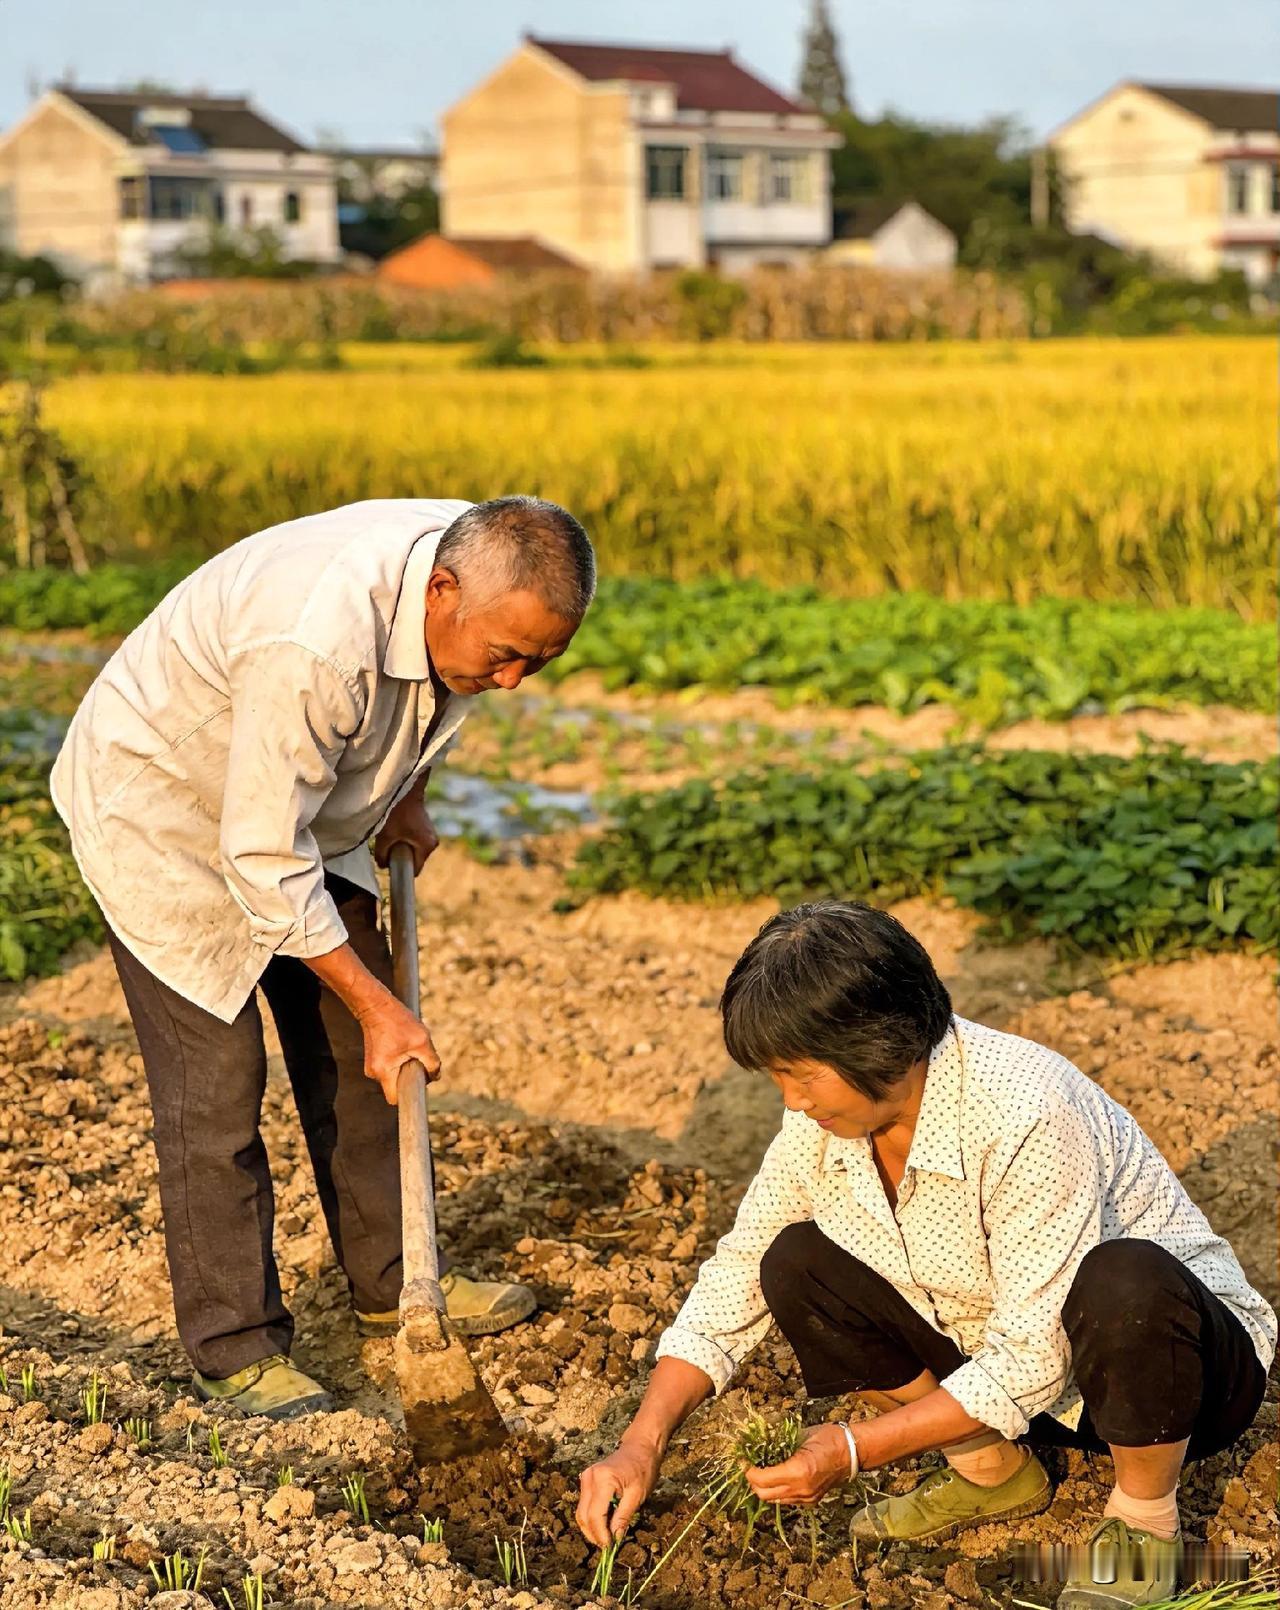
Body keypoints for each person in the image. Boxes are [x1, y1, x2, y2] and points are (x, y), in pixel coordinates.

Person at [52, 495, 596, 1418]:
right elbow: (260, 855)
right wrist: (382, 1006)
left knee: (358, 1055)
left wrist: (408, 792)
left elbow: (434, 694)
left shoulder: (491, 564)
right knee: (217, 1086)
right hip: (167, 815)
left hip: (295, 803)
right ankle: (235, 1345)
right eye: (505, 654)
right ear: (442, 590)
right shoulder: (314, 641)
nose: (510, 681)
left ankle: (397, 1281)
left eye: (538, 663)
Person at [577, 901, 1274, 1608]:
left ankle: (1144, 1521)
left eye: (802, 1074)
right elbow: (740, 1265)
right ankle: (989, 1470)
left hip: (1170, 1381)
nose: (791, 1101)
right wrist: (642, 1443)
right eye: (776, 1077)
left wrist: (854, 1449)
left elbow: (1034, 1357)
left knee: (1125, 1279)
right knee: (792, 1262)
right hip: (1001, 1380)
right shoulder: (825, 1126)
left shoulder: (1025, 1109)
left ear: (878, 1044)